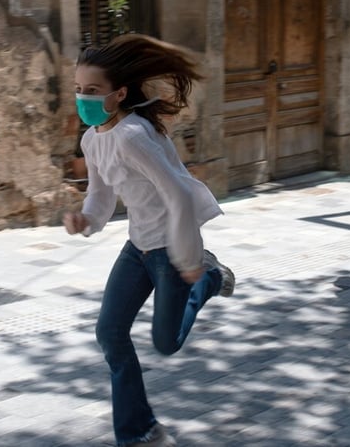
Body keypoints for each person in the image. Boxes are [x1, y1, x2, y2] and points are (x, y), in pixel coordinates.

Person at [63, 34, 236, 447]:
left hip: (171, 248)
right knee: (110, 333)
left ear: (119, 94)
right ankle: (140, 432)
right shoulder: (93, 139)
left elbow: (176, 193)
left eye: (92, 91)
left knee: (166, 342)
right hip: (138, 246)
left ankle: (210, 277)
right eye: (77, 90)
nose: (82, 98)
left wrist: (190, 257)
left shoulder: (133, 135)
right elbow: (102, 198)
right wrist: (84, 219)